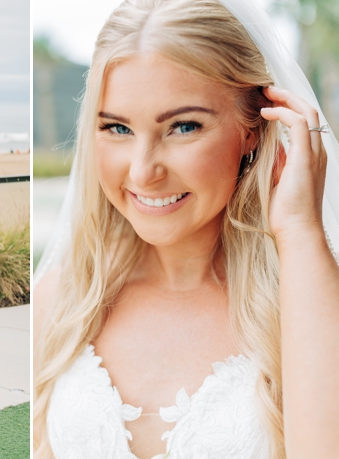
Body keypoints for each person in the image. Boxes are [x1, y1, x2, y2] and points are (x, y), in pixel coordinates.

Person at [32, 1, 339, 458]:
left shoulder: (306, 301)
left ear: (254, 127)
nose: (142, 172)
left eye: (183, 126)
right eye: (117, 128)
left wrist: (299, 230)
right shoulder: (67, 301)